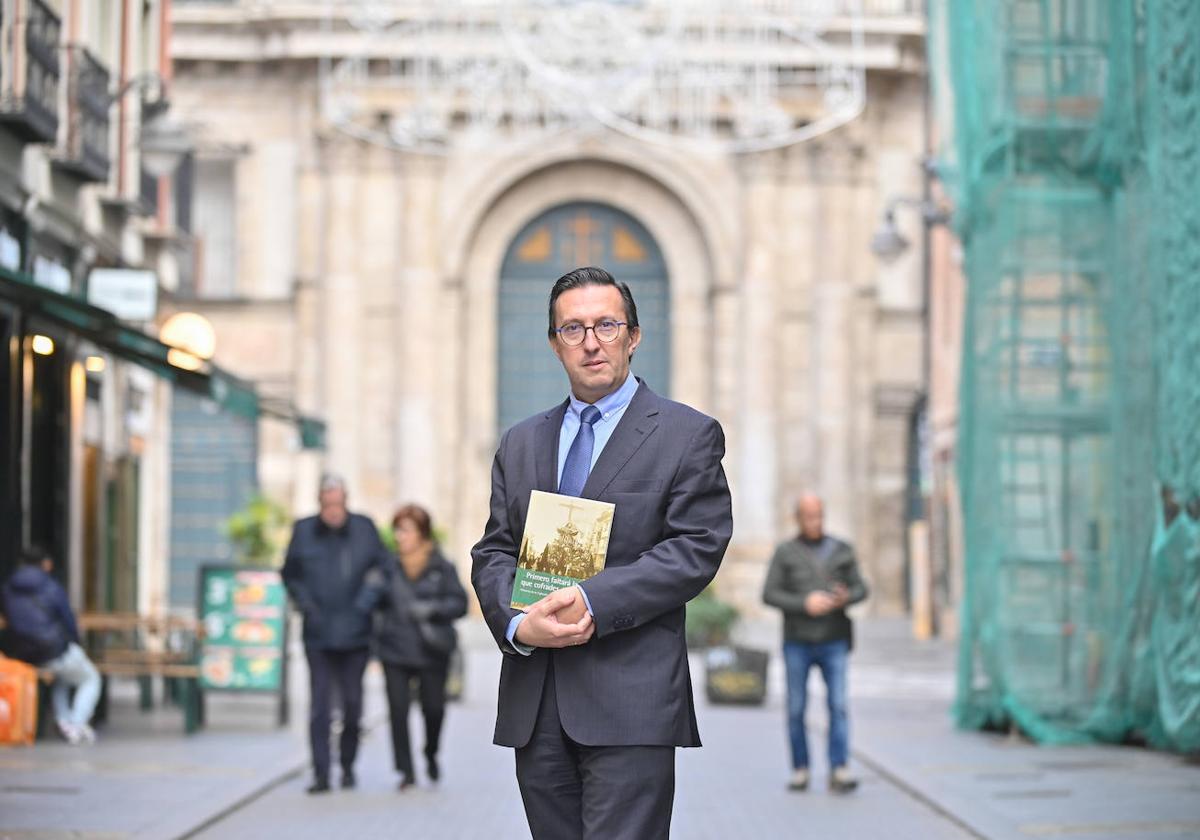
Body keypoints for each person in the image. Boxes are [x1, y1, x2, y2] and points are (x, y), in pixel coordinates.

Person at [472, 266, 733, 839]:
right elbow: (493, 550)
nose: (591, 342)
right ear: (553, 343)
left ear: (634, 336)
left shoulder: (686, 435)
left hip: (630, 701)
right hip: (536, 703)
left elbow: (696, 547)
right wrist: (519, 624)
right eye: (573, 329)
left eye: (607, 325)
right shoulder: (520, 442)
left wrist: (591, 599)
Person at [281, 473, 388, 794]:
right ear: (320, 504)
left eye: (338, 504)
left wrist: (365, 603)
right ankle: (321, 773)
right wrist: (306, 605)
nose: (333, 511)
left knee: (353, 705)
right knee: (320, 708)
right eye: (328, 505)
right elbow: (290, 574)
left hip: (356, 635)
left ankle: (348, 765)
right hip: (318, 634)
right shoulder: (303, 531)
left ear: (346, 501)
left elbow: (384, 568)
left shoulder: (364, 529)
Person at [761, 493, 869, 794]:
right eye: (809, 516)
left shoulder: (841, 550)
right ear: (798, 519)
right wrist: (804, 603)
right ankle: (801, 768)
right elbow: (769, 594)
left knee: (838, 705)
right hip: (798, 641)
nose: (815, 521)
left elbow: (861, 588)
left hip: (834, 639)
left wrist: (846, 597)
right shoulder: (786, 552)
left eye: (819, 515)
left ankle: (839, 767)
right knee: (796, 708)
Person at [373, 504, 468, 791]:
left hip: (431, 651)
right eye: (397, 529)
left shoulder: (441, 566)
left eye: (406, 530)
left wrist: (431, 609)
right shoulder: (388, 566)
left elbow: (460, 604)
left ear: (421, 533)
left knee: (434, 710)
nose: (400, 536)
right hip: (394, 650)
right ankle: (406, 771)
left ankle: (431, 752)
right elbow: (374, 604)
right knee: (398, 712)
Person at [0, 551, 101, 745]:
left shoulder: (7, 588)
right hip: (52, 649)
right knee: (91, 677)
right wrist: (75, 641)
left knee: (62, 677)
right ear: (45, 564)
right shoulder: (50, 586)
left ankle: (64, 721)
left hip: (21, 654)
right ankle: (77, 723)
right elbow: (68, 621)